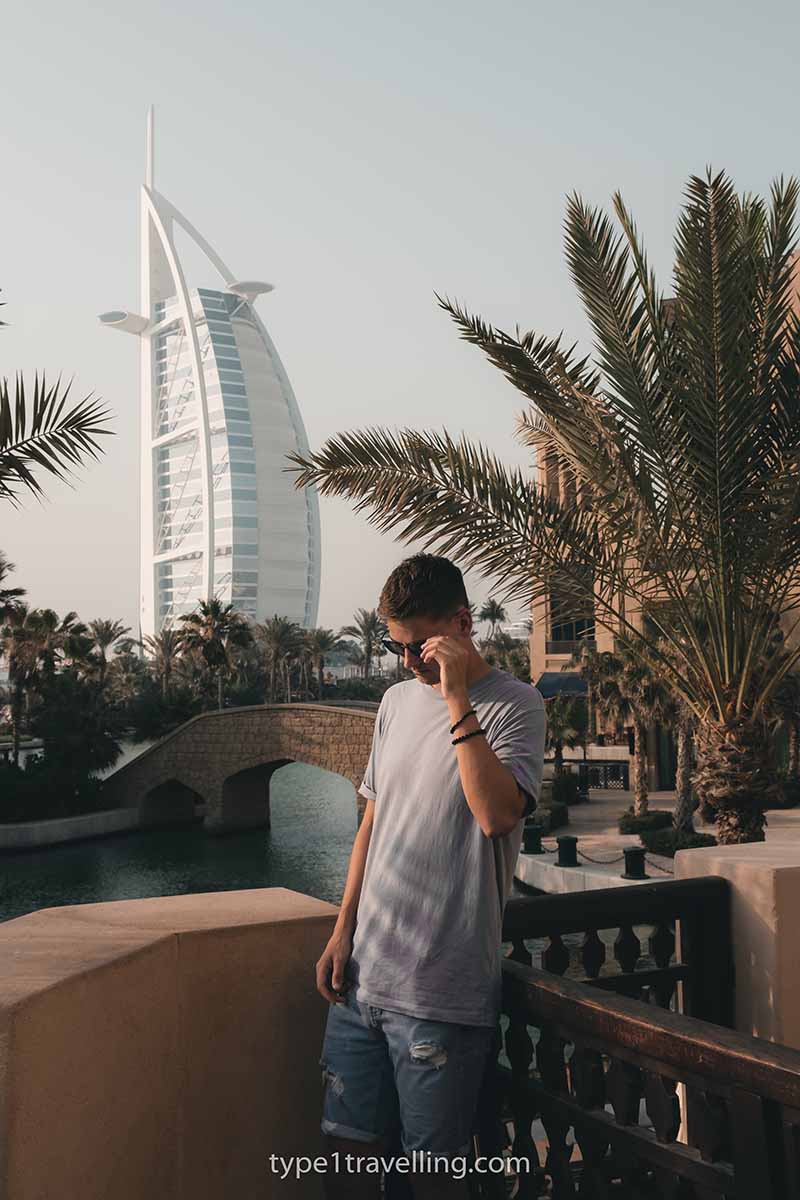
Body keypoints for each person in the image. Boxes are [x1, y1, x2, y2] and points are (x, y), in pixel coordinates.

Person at [316, 554, 546, 1199]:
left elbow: (497, 815)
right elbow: (373, 823)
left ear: (462, 623)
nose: (408, 663)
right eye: (398, 649)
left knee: (434, 1177)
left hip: (441, 994)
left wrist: (453, 697)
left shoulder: (516, 706)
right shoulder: (393, 702)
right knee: (346, 1159)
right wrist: (342, 931)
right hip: (361, 983)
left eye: (419, 646)